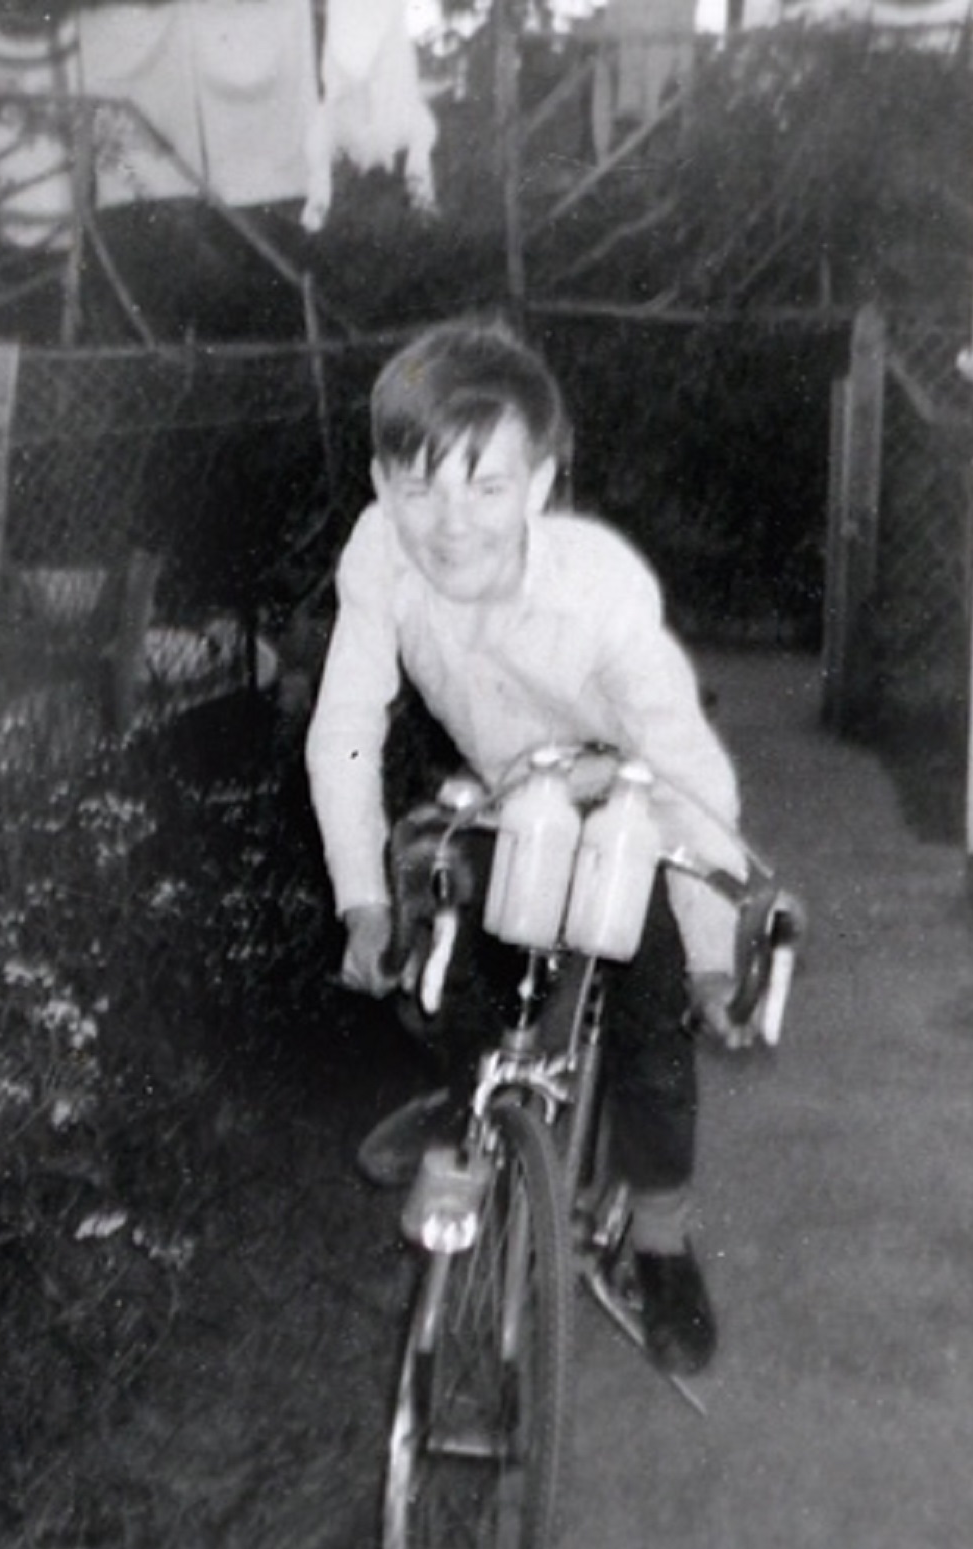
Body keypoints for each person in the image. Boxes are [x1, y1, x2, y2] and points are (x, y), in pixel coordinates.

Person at [304, 318, 761, 1375]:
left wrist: (707, 950)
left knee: (650, 1018)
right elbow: (346, 728)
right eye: (416, 484)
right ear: (379, 481)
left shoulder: (598, 590)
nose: (448, 522)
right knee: (470, 968)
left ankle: (659, 1242)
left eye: (485, 484)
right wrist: (359, 899)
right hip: (508, 795)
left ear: (540, 482)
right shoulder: (378, 555)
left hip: (627, 793)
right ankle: (467, 1140)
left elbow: (688, 764)